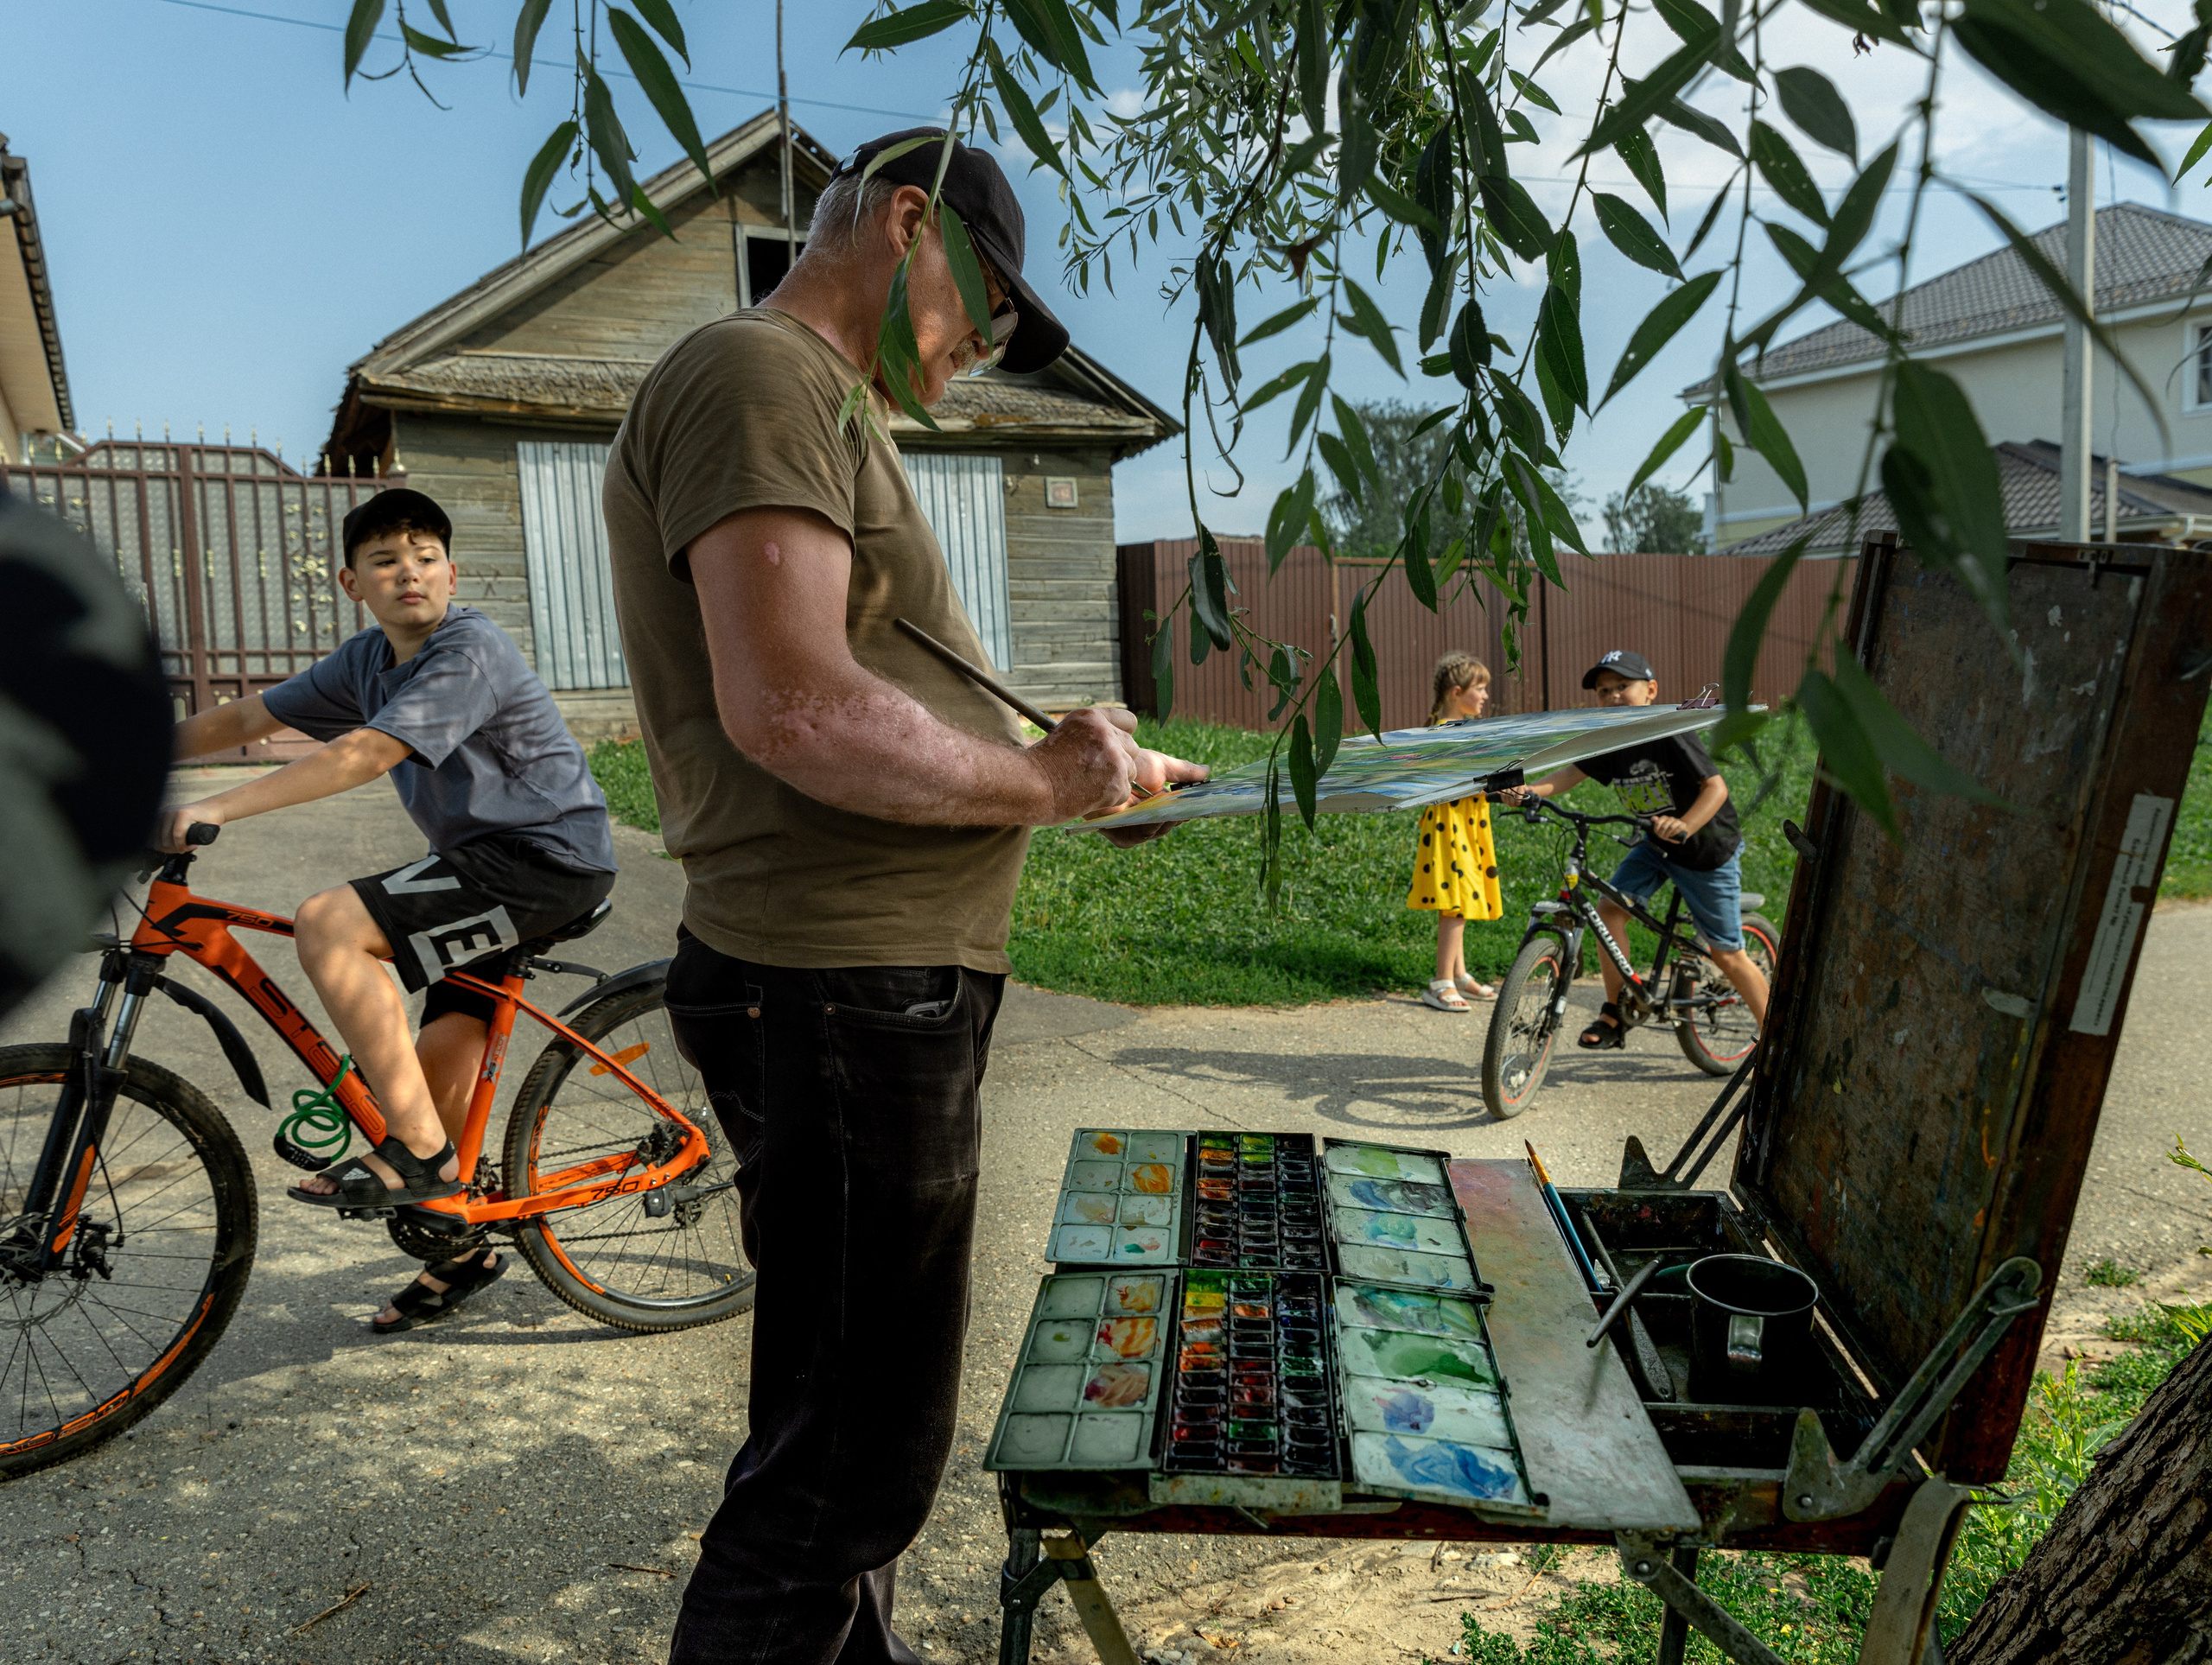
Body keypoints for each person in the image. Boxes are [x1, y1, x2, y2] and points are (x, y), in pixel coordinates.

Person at [600, 128, 1207, 1664]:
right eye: (984, 307)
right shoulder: (762, 377)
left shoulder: (822, 408)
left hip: (863, 986)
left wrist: (1077, 769)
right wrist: (1041, 787)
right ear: (907, 222)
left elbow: (877, 689)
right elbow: (794, 707)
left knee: (838, 1419)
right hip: (843, 990)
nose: (984, 349)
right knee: (845, 1466)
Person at [156, 488, 618, 1331]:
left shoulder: (468, 649)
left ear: (451, 570)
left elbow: (365, 755)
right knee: (429, 1074)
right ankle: (462, 1246)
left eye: (425, 554)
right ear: (350, 581)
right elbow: (256, 714)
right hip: (480, 863)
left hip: (547, 858)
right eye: (384, 559)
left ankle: (422, 1160)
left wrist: (216, 807)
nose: (408, 571)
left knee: (330, 922)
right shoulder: (367, 659)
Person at [1509, 649, 1767, 1048]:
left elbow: (1715, 788)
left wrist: (1685, 824)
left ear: (1651, 690)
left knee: (1726, 954)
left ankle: (1777, 1041)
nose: (1612, 696)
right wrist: (1529, 791)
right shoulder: (1612, 738)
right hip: (1655, 845)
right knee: (1608, 913)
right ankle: (1616, 1010)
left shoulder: (1669, 730)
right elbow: (1574, 771)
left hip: (1705, 850)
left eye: (1622, 687)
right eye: (1603, 690)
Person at [1408, 651, 1504, 1011]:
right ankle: (1441, 981)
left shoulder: (1457, 728)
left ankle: (1459, 974)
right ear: (1456, 691)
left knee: (1460, 896)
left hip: (1465, 821)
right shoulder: (1446, 732)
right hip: (1451, 824)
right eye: (1479, 689)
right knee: (1455, 903)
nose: (1485, 696)